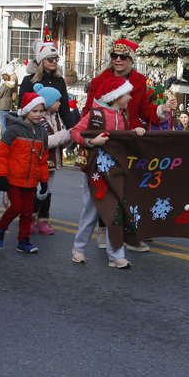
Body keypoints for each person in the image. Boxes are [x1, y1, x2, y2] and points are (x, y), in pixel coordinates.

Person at [83, 38, 175, 253]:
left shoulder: (139, 81)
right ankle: (104, 229)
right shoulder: (99, 80)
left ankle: (130, 232)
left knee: (131, 188)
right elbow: (89, 110)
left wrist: (162, 110)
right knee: (107, 187)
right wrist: (90, 137)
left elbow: (144, 110)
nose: (117, 60)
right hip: (106, 141)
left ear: (131, 59)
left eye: (123, 57)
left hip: (130, 140)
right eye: (114, 56)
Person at [69, 73, 143, 269]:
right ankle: (79, 248)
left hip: (116, 172)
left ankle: (116, 255)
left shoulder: (123, 116)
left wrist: (134, 133)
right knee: (91, 211)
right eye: (127, 94)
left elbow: (123, 139)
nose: (130, 98)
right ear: (116, 97)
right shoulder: (96, 114)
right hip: (95, 171)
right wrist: (92, 142)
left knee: (115, 212)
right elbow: (75, 132)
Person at [0, 91, 50, 253]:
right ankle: (0, 228)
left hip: (31, 180)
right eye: (34, 111)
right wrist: (1, 176)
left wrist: (43, 180)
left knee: (27, 211)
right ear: (26, 111)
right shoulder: (13, 131)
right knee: (16, 207)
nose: (38, 115)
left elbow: (42, 158)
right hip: (13, 178)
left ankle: (24, 240)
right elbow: (2, 154)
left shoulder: (42, 133)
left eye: (41, 111)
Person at [18, 26, 76, 129]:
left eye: (56, 59)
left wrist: (72, 129)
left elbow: (64, 109)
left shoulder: (59, 81)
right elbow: (22, 108)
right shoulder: (29, 81)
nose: (54, 62)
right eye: (50, 59)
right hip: (33, 127)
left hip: (54, 125)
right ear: (42, 60)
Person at [32, 83, 70, 235]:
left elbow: (62, 138)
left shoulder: (57, 118)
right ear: (48, 103)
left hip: (53, 162)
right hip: (40, 161)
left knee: (48, 191)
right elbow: (44, 141)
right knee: (38, 191)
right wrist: (62, 136)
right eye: (57, 101)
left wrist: (69, 137)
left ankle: (43, 220)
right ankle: (30, 217)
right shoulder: (39, 121)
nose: (60, 103)